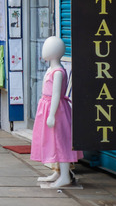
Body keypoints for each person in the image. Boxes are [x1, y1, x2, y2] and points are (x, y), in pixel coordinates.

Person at [31, 36, 82, 188]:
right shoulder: (51, 70)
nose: (43, 49)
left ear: (55, 51)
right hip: (47, 107)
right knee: (53, 142)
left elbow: (56, 94)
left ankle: (65, 176)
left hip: (57, 110)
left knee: (61, 142)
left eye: (47, 47)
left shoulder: (58, 72)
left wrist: (52, 114)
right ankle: (58, 172)